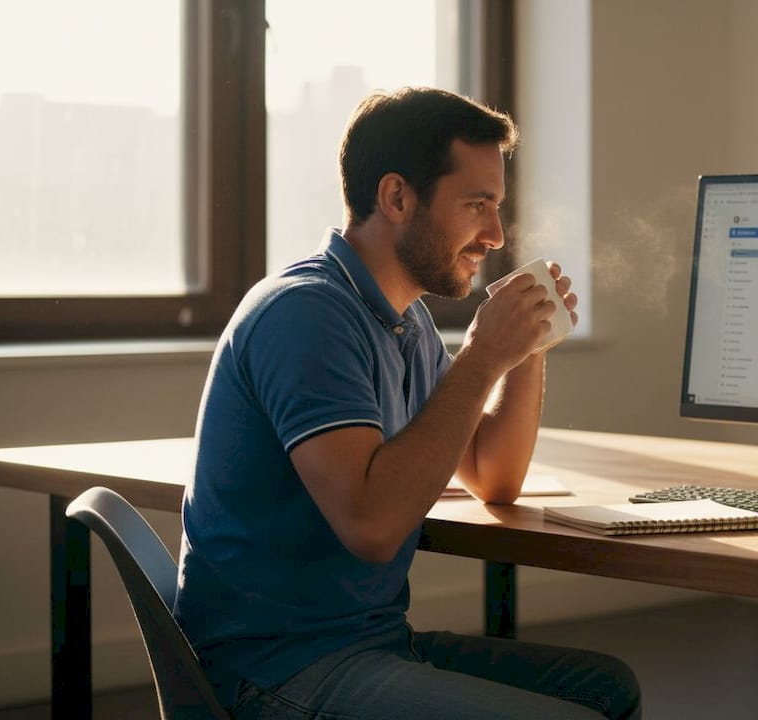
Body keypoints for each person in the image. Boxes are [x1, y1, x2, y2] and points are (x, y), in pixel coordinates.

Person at [173, 87, 641, 720]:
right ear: (396, 197)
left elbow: (493, 478)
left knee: (607, 689)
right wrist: (480, 358)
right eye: (476, 205)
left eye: (497, 207)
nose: (495, 234)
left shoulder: (405, 320)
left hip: (368, 645)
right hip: (274, 669)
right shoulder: (307, 314)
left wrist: (526, 345)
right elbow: (371, 527)